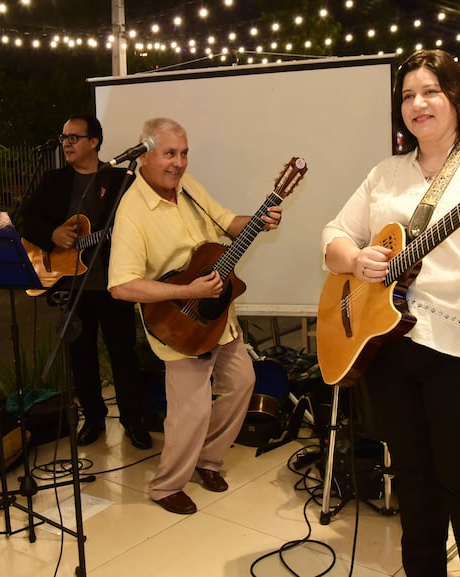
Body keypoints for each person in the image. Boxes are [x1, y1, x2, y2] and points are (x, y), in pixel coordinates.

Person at [321, 50, 460, 577]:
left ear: (458, 98)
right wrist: (357, 258)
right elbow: (331, 238)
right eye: (407, 95)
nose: (417, 104)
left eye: (431, 92)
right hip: (391, 347)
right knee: (416, 491)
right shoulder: (386, 172)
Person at [107, 117, 283, 515]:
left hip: (218, 316)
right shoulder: (132, 211)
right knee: (193, 409)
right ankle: (166, 485)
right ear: (145, 156)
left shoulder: (189, 189)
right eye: (170, 154)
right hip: (177, 323)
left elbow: (228, 223)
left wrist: (259, 220)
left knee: (243, 383)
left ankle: (208, 459)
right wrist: (188, 291)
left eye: (184, 153)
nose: (179, 163)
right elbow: (121, 286)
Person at [17, 114, 152, 450]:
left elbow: (143, 223)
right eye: (63, 137)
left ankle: (133, 421)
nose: (66, 143)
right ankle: (92, 418)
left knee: (123, 354)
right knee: (81, 356)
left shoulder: (122, 180)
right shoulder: (54, 180)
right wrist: (52, 233)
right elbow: (25, 218)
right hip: (71, 286)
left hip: (114, 284)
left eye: (74, 137)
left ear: (94, 142)